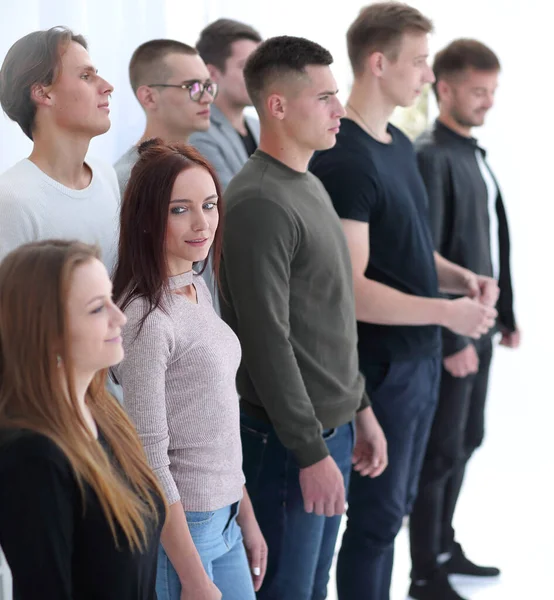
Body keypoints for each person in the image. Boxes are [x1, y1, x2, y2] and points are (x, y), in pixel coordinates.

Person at [309, 4, 498, 600]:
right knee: (373, 522)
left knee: (395, 514)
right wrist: (449, 314)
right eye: (418, 62)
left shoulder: (395, 145)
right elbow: (353, 289)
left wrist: (459, 278)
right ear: (378, 62)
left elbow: (410, 252)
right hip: (383, 368)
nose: (425, 75)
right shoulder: (347, 157)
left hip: (415, 361)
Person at [219, 36, 387, 600]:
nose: (340, 109)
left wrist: (359, 407)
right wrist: (311, 452)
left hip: (327, 430)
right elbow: (267, 343)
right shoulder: (260, 201)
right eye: (324, 97)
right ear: (278, 106)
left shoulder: (308, 182)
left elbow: (328, 317)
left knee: (313, 588)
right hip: (289, 445)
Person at [112, 139, 266, 600]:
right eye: (180, 210)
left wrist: (245, 514)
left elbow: (215, 420)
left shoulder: (195, 284)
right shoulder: (146, 318)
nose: (203, 223)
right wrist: (195, 578)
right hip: (184, 532)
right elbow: (151, 460)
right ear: (146, 218)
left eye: (210, 205)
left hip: (226, 518)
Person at [408, 38, 519, 600]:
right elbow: (424, 256)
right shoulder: (431, 155)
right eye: (478, 91)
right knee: (440, 450)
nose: (488, 102)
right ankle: (424, 571)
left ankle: (445, 547)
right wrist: (450, 338)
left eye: (492, 91)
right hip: (454, 335)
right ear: (443, 88)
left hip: (482, 326)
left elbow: (491, 241)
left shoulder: (470, 153)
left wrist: (508, 312)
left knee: (468, 438)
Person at [0, 240, 166, 600]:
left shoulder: (106, 413)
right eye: (96, 309)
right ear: (49, 333)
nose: (119, 317)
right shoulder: (32, 458)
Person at [0, 27, 119, 273]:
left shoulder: (106, 176)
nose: (108, 86)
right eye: (86, 76)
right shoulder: (12, 200)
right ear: (43, 93)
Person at [114, 39, 216, 195]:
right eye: (192, 87)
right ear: (149, 98)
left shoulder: (199, 165)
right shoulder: (128, 180)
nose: (208, 98)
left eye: (207, 86)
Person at [191, 18, 262, 189]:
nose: (259, 76)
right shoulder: (198, 134)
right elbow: (228, 202)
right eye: (247, 66)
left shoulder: (260, 127)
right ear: (212, 73)